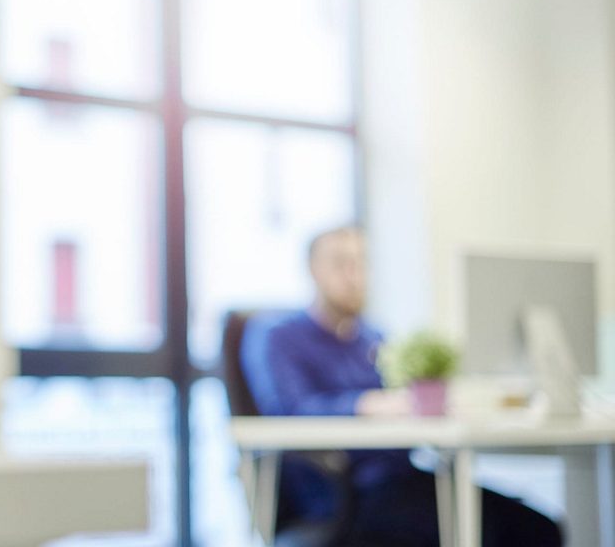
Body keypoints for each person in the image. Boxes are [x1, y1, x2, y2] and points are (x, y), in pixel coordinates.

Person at [240, 226, 561, 547]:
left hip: (401, 478)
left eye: (361, 263)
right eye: (340, 264)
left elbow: (402, 406)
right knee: (481, 532)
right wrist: (366, 404)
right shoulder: (276, 336)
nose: (354, 276)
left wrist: (432, 404)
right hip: (340, 493)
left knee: (537, 529)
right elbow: (290, 410)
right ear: (313, 270)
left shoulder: (373, 337)